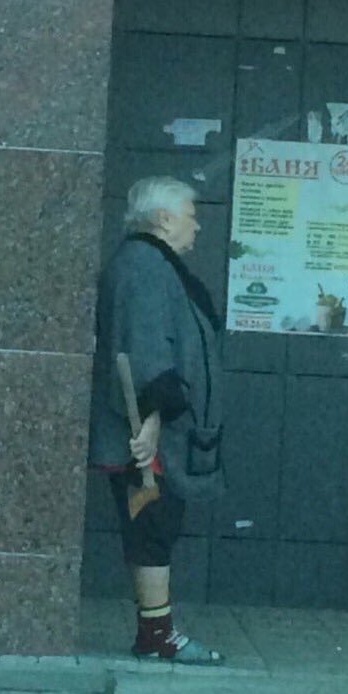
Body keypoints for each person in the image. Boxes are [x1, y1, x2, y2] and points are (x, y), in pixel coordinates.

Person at [88, 176, 226, 664]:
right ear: (164, 218)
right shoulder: (145, 267)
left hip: (154, 433)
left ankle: (155, 633)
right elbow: (144, 349)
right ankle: (157, 636)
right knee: (152, 529)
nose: (197, 225)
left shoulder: (148, 264)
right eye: (191, 215)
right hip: (149, 440)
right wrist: (150, 424)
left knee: (153, 529)